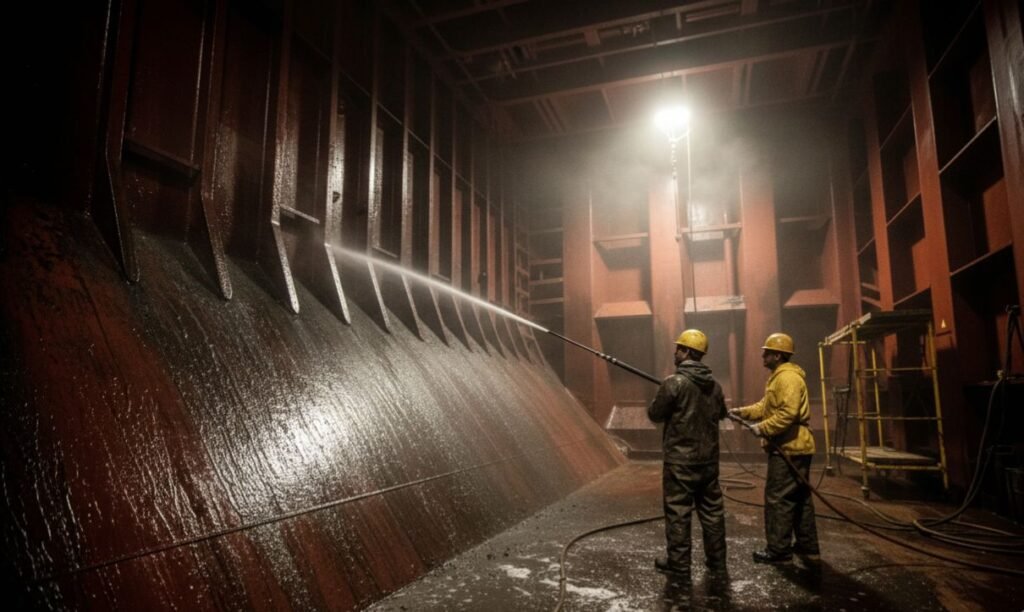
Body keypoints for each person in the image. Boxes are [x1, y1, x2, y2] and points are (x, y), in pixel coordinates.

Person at [730, 332, 820, 564]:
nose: (763, 356)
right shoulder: (779, 377)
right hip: (795, 446)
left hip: (790, 447)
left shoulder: (787, 378)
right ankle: (807, 546)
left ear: (778, 355)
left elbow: (787, 414)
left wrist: (762, 428)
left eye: (767, 353)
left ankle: (779, 551)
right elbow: (766, 407)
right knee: (800, 497)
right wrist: (741, 412)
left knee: (778, 498)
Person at [648, 329, 728, 579]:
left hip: (680, 462)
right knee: (712, 512)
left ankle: (679, 564)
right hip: (708, 461)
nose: (675, 352)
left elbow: (655, 414)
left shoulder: (674, 383)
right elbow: (722, 413)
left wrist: (664, 394)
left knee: (678, 512)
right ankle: (717, 562)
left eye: (678, 348)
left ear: (686, 352)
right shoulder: (715, 386)